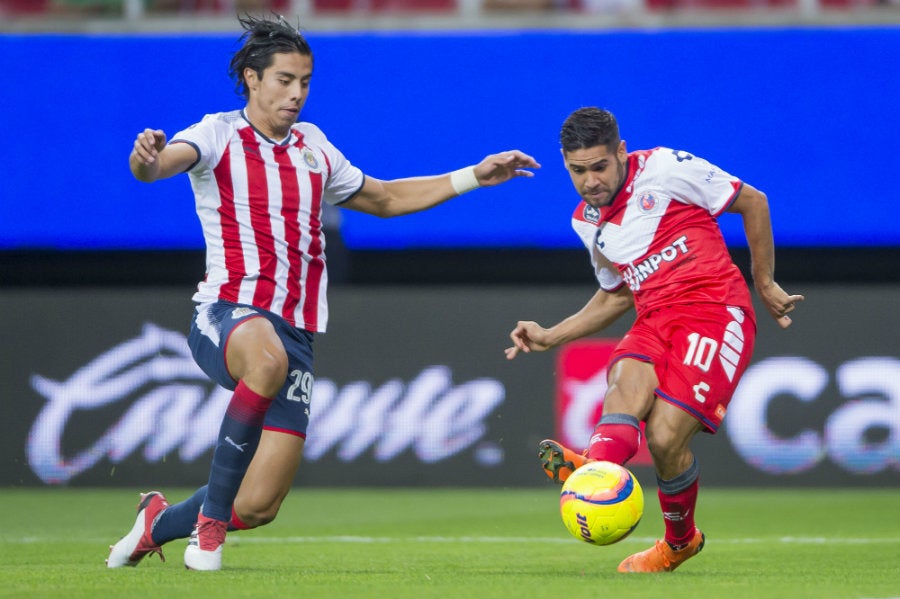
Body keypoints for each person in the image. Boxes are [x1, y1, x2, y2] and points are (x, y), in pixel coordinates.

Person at [106, 14, 539, 572]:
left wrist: (475, 176)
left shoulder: (313, 147)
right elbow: (160, 166)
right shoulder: (217, 133)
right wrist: (145, 160)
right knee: (265, 362)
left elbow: (383, 198)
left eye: (305, 82)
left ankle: (157, 523)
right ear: (252, 78)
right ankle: (208, 533)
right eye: (284, 79)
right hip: (228, 311)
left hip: (296, 331)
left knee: (260, 504)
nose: (296, 93)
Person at [505, 107, 802, 573]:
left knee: (664, 438)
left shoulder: (665, 169)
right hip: (653, 318)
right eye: (577, 171)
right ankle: (598, 470)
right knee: (624, 383)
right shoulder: (587, 221)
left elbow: (754, 201)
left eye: (600, 166)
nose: (590, 182)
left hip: (715, 314)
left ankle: (677, 540)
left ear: (621, 152)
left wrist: (763, 283)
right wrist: (550, 335)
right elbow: (615, 297)